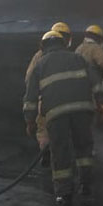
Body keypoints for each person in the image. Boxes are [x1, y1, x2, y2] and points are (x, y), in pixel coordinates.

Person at [24, 30, 98, 206]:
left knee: (60, 152)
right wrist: (101, 104)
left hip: (56, 115)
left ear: (43, 46)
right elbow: (95, 82)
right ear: (64, 43)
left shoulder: (40, 64)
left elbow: (31, 97)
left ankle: (64, 194)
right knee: (84, 149)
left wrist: (30, 121)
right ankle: (86, 186)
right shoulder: (78, 58)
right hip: (82, 110)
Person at [24, 22, 72, 166]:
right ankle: (55, 159)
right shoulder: (68, 56)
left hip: (43, 102)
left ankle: (47, 158)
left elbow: (28, 79)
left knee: (44, 131)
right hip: (60, 101)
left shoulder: (38, 56)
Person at [75, 24, 103, 123]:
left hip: (79, 90)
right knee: (97, 114)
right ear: (98, 38)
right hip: (93, 89)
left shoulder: (78, 49)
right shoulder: (95, 48)